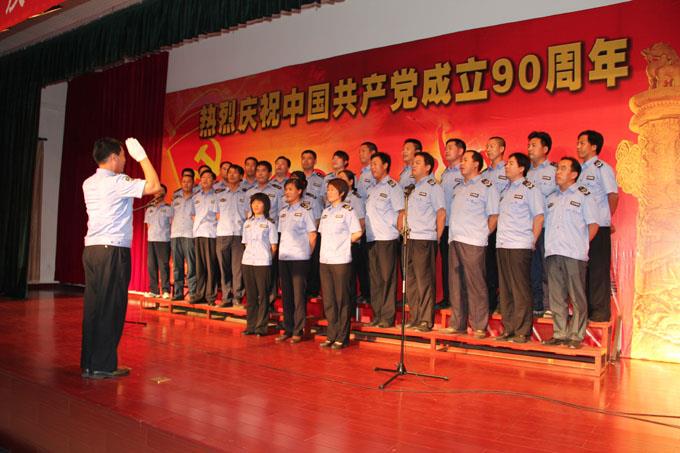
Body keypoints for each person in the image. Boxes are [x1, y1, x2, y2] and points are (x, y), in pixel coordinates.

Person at [81, 137, 160, 379]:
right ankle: (103, 366)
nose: (126, 160)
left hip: (92, 250)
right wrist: (142, 156)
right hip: (112, 250)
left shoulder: (88, 182)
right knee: (112, 307)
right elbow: (154, 186)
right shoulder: (117, 181)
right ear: (114, 157)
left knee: (94, 307)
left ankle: (90, 362)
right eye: (124, 156)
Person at [440, 150, 499, 339]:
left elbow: (494, 215)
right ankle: (457, 324)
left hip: (474, 240)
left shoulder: (486, 186)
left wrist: (483, 234)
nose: (461, 163)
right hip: (455, 239)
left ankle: (479, 326)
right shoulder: (458, 187)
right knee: (456, 284)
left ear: (476, 164)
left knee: (476, 284)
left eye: (465, 160)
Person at [542, 157, 599, 349]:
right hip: (553, 251)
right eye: (558, 168)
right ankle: (560, 334)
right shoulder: (551, 198)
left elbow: (593, 225)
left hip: (574, 253)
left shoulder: (584, 196)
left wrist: (581, 245)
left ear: (574, 174)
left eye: (563, 168)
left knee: (577, 296)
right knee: (556, 296)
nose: (558, 172)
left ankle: (576, 335)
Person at [495, 153, 544, 343]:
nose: (506, 166)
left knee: (520, 289)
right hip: (503, 244)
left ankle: (522, 330)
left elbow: (539, 217)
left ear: (522, 168)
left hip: (519, 244)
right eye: (506, 163)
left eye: (511, 163)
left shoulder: (530, 189)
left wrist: (532, 241)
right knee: (505, 288)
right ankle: (509, 328)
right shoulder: (505, 190)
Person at [576, 130, 618, 322]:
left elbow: (613, 195)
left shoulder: (602, 168)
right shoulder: (578, 171)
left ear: (594, 146)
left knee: (598, 270)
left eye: (582, 143)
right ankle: (584, 312)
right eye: (578, 143)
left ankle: (600, 313)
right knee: (582, 270)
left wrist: (606, 219)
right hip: (580, 228)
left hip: (599, 226)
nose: (578, 146)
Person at [403, 152, 446, 332]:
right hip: (410, 239)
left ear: (428, 167)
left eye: (418, 163)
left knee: (424, 280)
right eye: (413, 163)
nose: (413, 165)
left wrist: (436, 238)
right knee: (411, 280)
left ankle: (426, 320)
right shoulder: (412, 188)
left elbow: (441, 213)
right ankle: (415, 317)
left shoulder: (433, 187)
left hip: (425, 239)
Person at [318, 178, 363, 349]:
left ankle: (342, 337)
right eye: (328, 189)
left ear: (341, 193)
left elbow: (357, 233)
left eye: (332, 189)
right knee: (329, 300)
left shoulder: (347, 210)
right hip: (325, 260)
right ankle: (331, 335)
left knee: (341, 299)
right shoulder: (326, 212)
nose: (328, 192)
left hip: (341, 260)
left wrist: (344, 243)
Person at [365, 152, 405, 328]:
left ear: (386, 165)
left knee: (387, 278)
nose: (372, 167)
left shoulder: (392, 186)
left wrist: (399, 233)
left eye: (375, 164)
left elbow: (401, 212)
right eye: (371, 164)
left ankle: (387, 318)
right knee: (375, 279)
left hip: (387, 238)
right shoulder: (371, 189)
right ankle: (377, 314)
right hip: (372, 238)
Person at [276, 178, 318, 343]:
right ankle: (287, 328)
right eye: (286, 189)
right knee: (286, 295)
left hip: (300, 258)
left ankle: (298, 330)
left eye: (290, 189)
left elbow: (312, 235)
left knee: (299, 296)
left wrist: (307, 254)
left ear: (299, 191)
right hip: (284, 257)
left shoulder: (306, 210)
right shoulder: (283, 212)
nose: (287, 192)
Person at [526, 131, 557, 317]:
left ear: (545, 149)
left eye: (534, 145)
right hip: (526, 227)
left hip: (547, 227)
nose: (530, 148)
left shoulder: (554, 171)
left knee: (548, 268)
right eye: (529, 145)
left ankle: (550, 305)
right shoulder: (525, 172)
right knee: (532, 268)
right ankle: (536, 304)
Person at [241, 193, 278, 336]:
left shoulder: (270, 224)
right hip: (248, 261)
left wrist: (266, 259)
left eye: (259, 203)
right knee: (251, 296)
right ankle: (251, 326)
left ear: (266, 205)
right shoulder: (247, 223)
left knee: (263, 295)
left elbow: (273, 246)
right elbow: (245, 243)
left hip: (263, 263)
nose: (256, 205)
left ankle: (261, 327)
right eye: (253, 203)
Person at [215, 164, 248, 307]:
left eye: (235, 173)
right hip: (223, 234)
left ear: (241, 176)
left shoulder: (246, 194)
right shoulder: (219, 194)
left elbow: (248, 215)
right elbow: (217, 215)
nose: (232, 175)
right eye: (230, 172)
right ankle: (226, 297)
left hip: (239, 235)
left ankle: (237, 297)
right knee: (224, 268)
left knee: (237, 269)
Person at [439, 138, 465, 308]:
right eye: (446, 148)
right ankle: (448, 298)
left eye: (450, 148)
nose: (446, 151)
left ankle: (460, 300)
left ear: (460, 151)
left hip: (460, 227)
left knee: (461, 265)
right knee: (446, 264)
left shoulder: (464, 173)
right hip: (444, 224)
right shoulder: (444, 174)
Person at [483, 136, 508, 313]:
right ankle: (490, 302)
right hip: (486, 223)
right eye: (487, 146)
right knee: (488, 264)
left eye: (492, 146)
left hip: (504, 224)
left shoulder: (509, 170)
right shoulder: (484, 174)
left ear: (502, 149)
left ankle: (503, 301)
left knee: (503, 265)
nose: (488, 149)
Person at [338, 169, 369, 306]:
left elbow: (362, 221)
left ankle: (355, 302)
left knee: (353, 275)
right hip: (338, 245)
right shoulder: (336, 200)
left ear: (350, 182)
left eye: (343, 179)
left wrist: (356, 240)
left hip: (352, 243)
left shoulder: (355, 198)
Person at [191, 169, 218, 305]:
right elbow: (192, 215)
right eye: (203, 178)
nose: (205, 180)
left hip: (210, 234)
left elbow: (219, 216)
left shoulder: (217, 196)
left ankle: (210, 296)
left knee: (210, 266)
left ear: (213, 180)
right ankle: (199, 294)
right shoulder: (195, 197)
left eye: (208, 177)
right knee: (199, 267)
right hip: (198, 234)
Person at [170, 171, 196, 300]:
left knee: (191, 265)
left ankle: (192, 293)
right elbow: (171, 217)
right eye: (184, 182)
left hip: (189, 234)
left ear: (193, 184)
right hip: (175, 235)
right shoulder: (176, 199)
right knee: (177, 266)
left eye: (189, 182)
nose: (186, 184)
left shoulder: (196, 199)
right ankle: (178, 293)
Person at [144, 184, 172, 299]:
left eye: (161, 192)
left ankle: (165, 290)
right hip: (151, 240)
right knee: (151, 266)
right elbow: (148, 225)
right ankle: (154, 290)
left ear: (164, 194)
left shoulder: (169, 208)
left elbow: (172, 224)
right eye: (156, 191)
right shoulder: (149, 208)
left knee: (163, 266)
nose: (158, 194)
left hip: (164, 240)